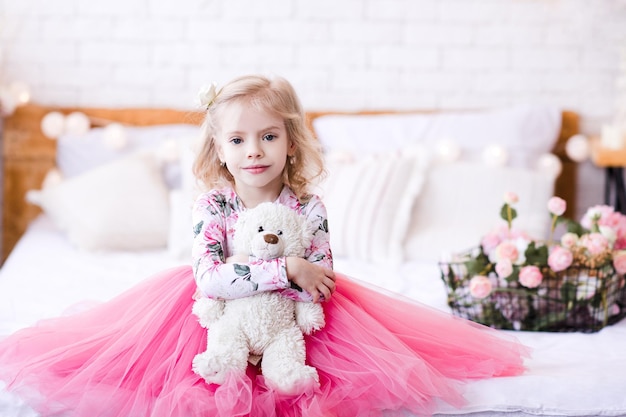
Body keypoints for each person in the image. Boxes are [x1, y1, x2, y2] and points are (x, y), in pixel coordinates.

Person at [0, 75, 530, 417]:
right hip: (213, 320)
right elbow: (210, 279)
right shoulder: (212, 208)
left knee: (322, 380)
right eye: (237, 140)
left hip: (294, 326)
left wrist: (300, 277)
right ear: (219, 150)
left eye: (268, 136)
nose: (254, 150)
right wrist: (286, 268)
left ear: (291, 142)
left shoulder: (310, 209)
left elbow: (320, 281)